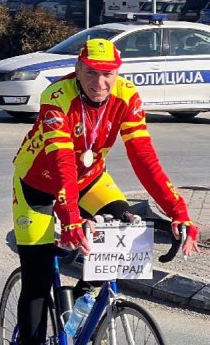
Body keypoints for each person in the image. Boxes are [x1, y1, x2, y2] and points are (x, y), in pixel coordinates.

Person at [12, 38, 201, 345]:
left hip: (90, 178)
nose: (99, 83)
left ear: (117, 73)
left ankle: (82, 299)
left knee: (123, 224)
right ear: (77, 69)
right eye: (90, 73)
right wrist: (71, 219)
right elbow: (62, 166)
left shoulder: (126, 95)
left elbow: (144, 158)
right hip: (38, 184)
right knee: (38, 279)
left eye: (107, 74)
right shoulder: (56, 98)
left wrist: (178, 210)